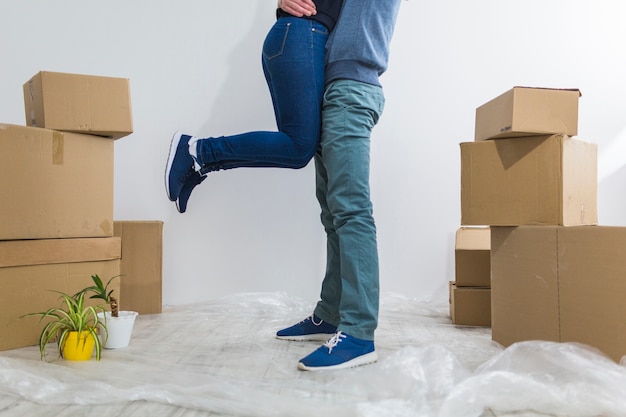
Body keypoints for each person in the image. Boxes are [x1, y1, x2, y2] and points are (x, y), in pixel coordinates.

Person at [275, 0, 402, 371]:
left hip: (352, 88)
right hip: (330, 88)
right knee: (333, 214)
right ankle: (329, 314)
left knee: (352, 211)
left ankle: (359, 334)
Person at [165, 1, 343, 212]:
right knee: (300, 147)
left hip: (300, 37)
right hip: (303, 34)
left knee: (301, 147)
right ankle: (196, 150)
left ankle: (200, 164)